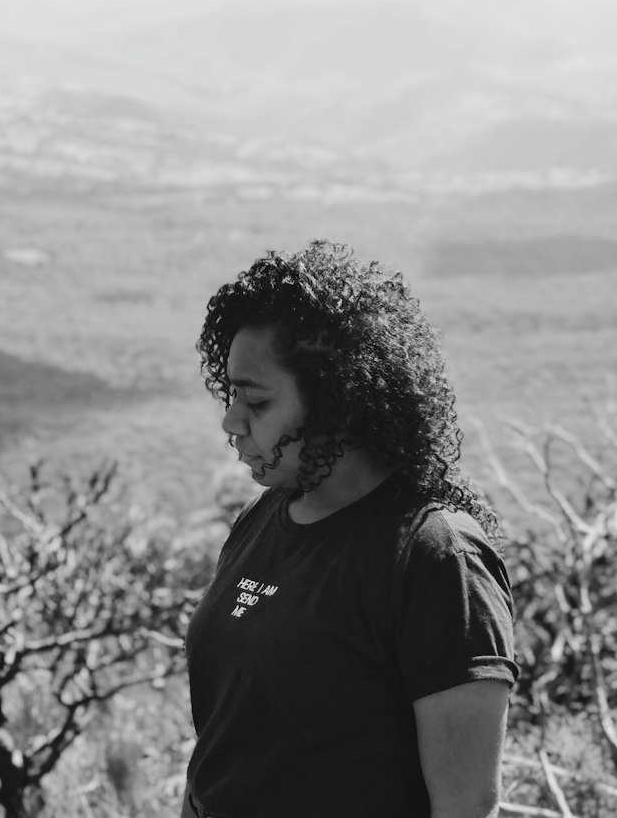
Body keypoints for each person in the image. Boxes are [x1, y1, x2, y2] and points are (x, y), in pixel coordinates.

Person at [181, 241, 517, 818]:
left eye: (256, 402)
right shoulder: (261, 519)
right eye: (231, 393)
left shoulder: (435, 557)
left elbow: (465, 804)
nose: (231, 422)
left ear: (338, 403)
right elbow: (225, 753)